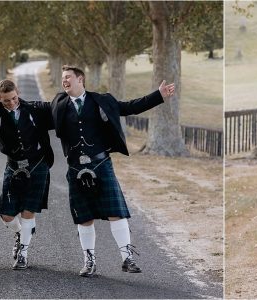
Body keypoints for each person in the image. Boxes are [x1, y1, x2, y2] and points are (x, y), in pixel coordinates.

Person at [49, 65, 175, 277]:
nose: (64, 81)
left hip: (101, 163)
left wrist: (158, 96)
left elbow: (129, 107)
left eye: (68, 77)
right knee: (84, 217)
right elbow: (35, 112)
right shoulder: (58, 103)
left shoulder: (102, 100)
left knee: (116, 212)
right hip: (75, 167)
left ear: (81, 79)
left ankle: (127, 258)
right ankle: (89, 261)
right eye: (63, 78)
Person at [0, 79, 54, 270]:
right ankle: (21, 233)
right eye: (6, 100)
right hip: (13, 166)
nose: (12, 103)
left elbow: (61, 107)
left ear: (18, 92)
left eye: (14, 98)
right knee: (6, 213)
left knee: (28, 210)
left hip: (37, 164)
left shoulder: (34, 109)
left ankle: (23, 252)